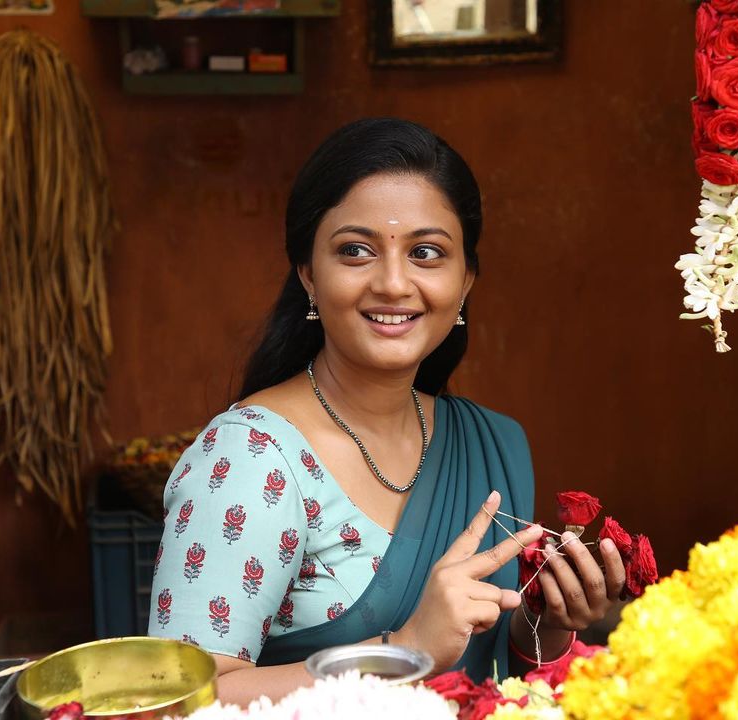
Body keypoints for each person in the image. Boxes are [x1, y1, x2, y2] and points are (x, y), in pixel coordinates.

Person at [148, 118, 626, 704]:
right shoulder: (252, 459)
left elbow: (492, 679)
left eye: (426, 252)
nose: (394, 283)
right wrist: (405, 651)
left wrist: (547, 621)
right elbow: (180, 701)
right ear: (309, 275)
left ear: (465, 281)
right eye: (356, 251)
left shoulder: (491, 444)